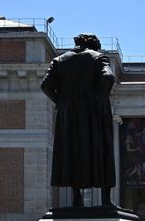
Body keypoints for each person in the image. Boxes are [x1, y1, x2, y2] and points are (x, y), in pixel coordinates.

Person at [41, 33, 117, 207]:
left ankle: (77, 198)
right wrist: (99, 99)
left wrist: (60, 101)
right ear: (94, 45)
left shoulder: (59, 60)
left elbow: (45, 85)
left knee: (72, 152)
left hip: (68, 115)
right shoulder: (98, 57)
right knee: (103, 150)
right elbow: (108, 77)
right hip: (94, 114)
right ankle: (106, 200)